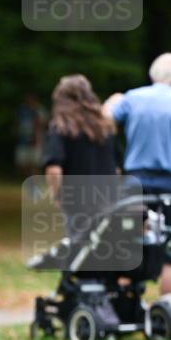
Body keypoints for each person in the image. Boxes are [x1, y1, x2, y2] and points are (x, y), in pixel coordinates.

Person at [103, 53, 171, 295]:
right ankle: (167, 309)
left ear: (153, 73)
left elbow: (105, 124)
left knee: (128, 240)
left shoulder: (133, 97)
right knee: (170, 251)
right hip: (170, 184)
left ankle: (125, 303)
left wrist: (110, 102)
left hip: (135, 181)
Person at [43, 74, 117, 233]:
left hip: (77, 202)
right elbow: (117, 168)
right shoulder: (105, 128)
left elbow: (54, 168)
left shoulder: (61, 128)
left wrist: (58, 195)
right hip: (107, 201)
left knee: (79, 250)